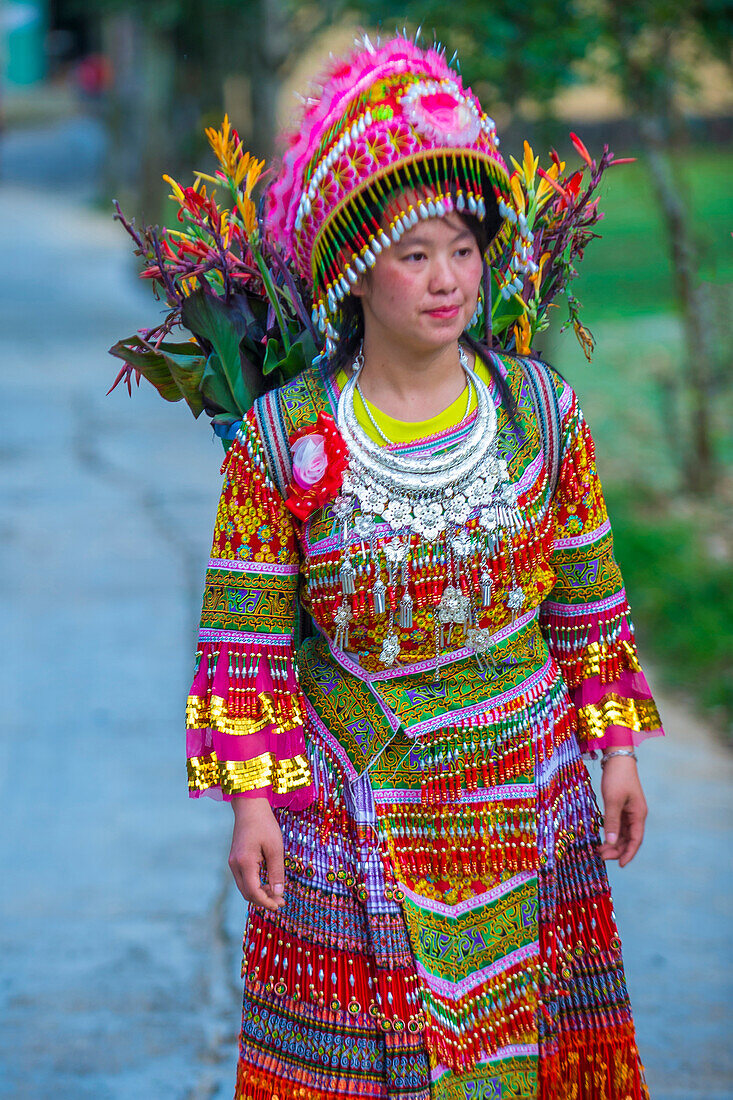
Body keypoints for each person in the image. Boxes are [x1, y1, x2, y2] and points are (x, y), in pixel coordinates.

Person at [184, 36, 663, 1100]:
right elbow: (246, 643)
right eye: (413, 254)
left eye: (462, 248)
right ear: (354, 270)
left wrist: (616, 749)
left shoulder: (539, 413)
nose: (447, 279)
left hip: (523, 789)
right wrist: (253, 806)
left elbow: (588, 598)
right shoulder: (285, 438)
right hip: (349, 803)